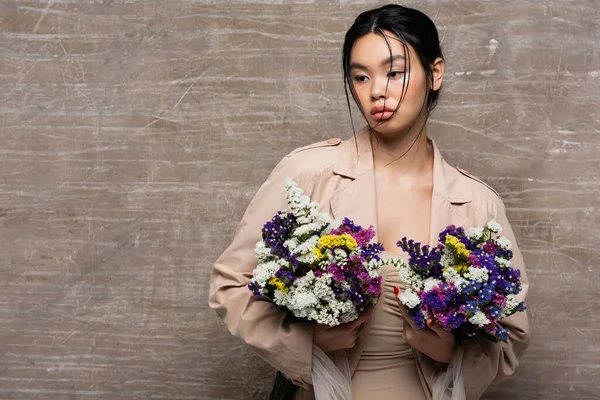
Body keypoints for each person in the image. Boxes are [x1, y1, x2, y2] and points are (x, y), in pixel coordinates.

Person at [209, 4, 530, 399]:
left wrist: (450, 355)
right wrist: (308, 344)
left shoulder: (478, 204)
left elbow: (512, 335)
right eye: (361, 77)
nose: (377, 90)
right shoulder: (309, 173)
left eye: (394, 73)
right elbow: (231, 283)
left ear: (436, 73)